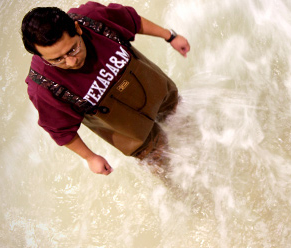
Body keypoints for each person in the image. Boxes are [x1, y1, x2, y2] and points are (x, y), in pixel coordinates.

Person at [21, 2, 190, 175]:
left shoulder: (92, 18)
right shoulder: (43, 88)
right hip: (131, 132)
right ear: (41, 56)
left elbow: (132, 21)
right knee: (161, 162)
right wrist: (90, 157)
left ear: (78, 29)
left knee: (183, 121)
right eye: (57, 60)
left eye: (73, 49)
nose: (71, 62)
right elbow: (61, 131)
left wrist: (170, 37)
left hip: (156, 90)